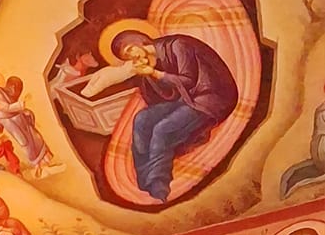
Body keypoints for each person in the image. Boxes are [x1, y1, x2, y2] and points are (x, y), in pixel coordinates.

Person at [80, 28, 237, 205]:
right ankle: (144, 179)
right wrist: (148, 75)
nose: (132, 57)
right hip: (186, 99)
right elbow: (164, 96)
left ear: (140, 41)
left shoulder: (178, 45)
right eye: (127, 57)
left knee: (162, 130)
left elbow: (188, 80)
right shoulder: (150, 61)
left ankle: (158, 184)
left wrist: (153, 73)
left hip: (211, 96)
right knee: (142, 119)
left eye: (130, 50)